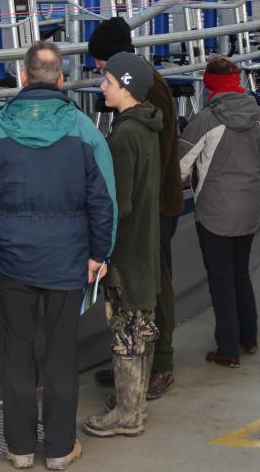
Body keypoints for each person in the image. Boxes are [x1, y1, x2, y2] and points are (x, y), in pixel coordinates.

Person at [0, 41, 116, 470]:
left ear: (23, 77)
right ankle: (61, 449)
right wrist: (98, 253)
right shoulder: (84, 130)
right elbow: (105, 201)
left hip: (14, 263)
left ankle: (21, 447)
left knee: (17, 352)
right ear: (61, 79)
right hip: (68, 262)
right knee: (61, 355)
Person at [87, 17, 182, 399]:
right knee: (143, 288)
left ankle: (160, 364)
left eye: (100, 66)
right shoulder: (148, 85)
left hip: (155, 204)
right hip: (154, 200)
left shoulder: (148, 96)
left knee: (153, 286)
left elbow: (147, 157)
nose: (96, 73)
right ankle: (134, 360)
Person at [177, 56, 260, 367]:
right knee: (241, 274)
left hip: (214, 212)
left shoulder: (205, 120)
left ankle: (227, 348)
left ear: (209, 85)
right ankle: (248, 336)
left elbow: (181, 167)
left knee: (220, 279)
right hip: (249, 209)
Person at [83, 51, 162, 438]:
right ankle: (136, 407)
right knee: (141, 330)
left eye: (109, 82)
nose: (102, 86)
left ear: (126, 88)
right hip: (146, 248)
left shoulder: (125, 135)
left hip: (127, 255)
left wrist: (99, 248)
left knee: (126, 333)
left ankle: (128, 414)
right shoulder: (148, 127)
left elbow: (120, 203)